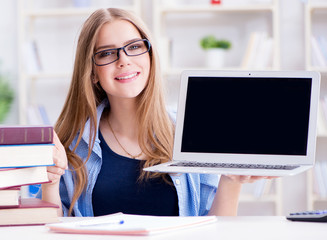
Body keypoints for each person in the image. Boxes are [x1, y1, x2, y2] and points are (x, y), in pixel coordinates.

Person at [39, 8, 270, 217]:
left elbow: (213, 231)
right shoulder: (71, 143)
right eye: (107, 53)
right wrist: (50, 183)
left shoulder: (191, 133)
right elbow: (53, 230)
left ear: (150, 56)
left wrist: (231, 181)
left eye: (135, 47)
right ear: (92, 72)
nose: (124, 60)